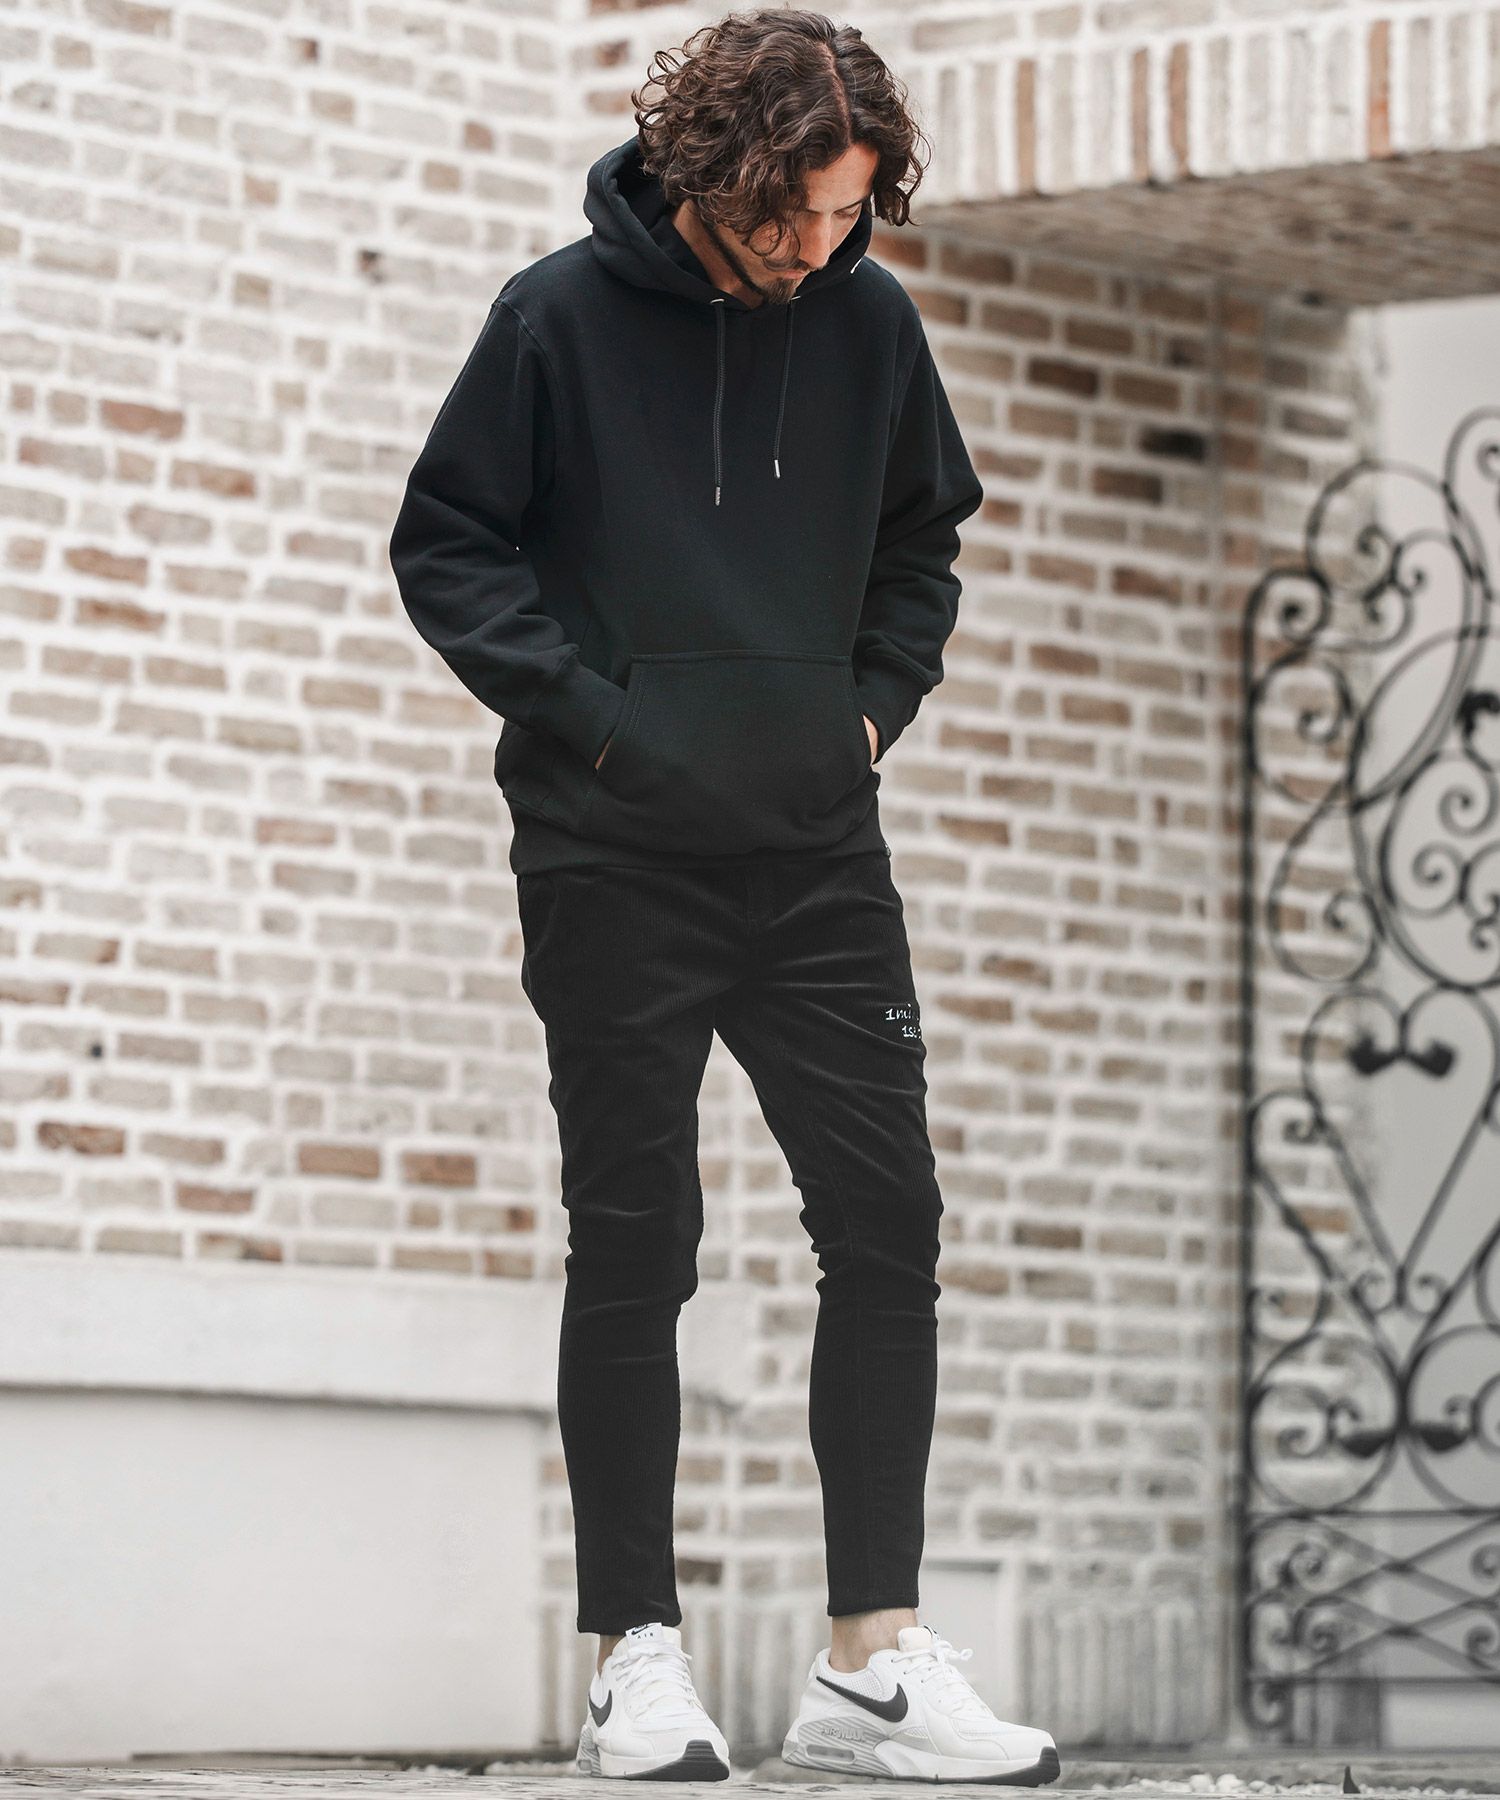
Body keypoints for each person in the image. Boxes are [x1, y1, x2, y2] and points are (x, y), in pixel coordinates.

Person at [389, 7, 1059, 1786]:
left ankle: (872, 1665)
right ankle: (636, 1657)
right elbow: (446, 544)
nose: (816, 247)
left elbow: (923, 541)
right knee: (639, 1241)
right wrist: (603, 728)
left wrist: (864, 716)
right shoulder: (553, 320)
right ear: (715, 167)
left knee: (888, 1222)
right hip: (612, 853)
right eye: (791, 211)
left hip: (815, 850)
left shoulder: (870, 324)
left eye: (847, 214)